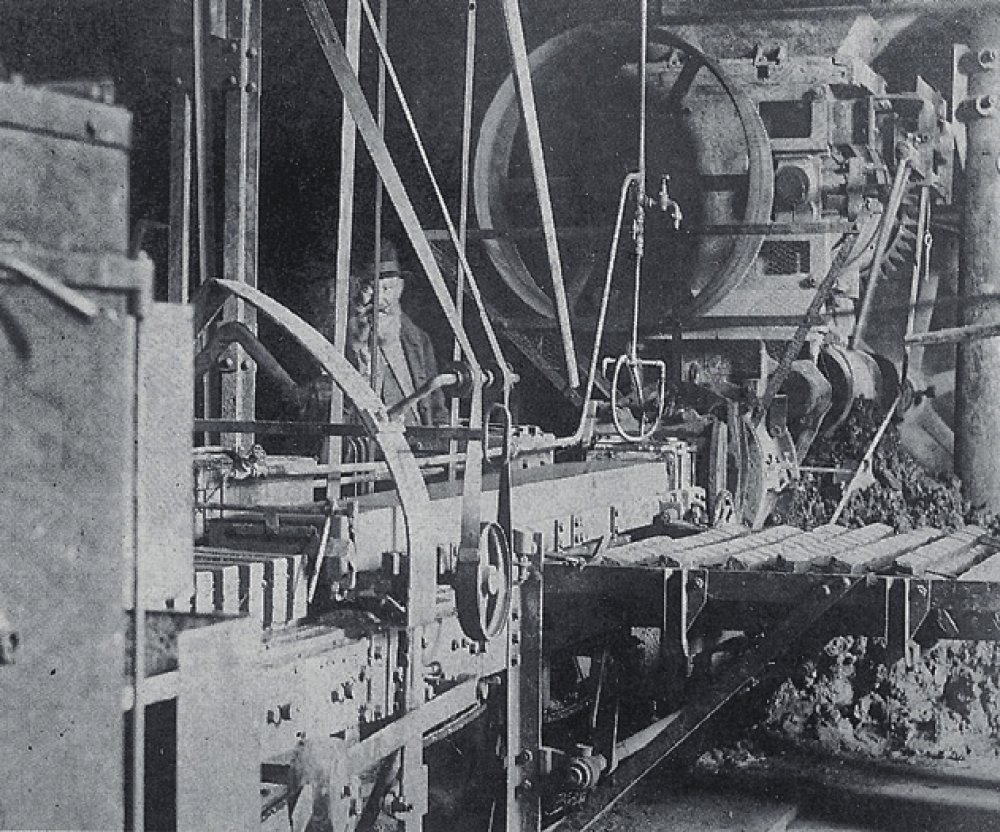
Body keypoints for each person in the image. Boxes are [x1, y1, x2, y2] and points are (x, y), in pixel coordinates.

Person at [345, 239, 448, 426]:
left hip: (415, 437)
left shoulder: (418, 339)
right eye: (369, 289)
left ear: (399, 289)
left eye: (387, 288)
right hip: (366, 439)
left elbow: (437, 405)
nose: (379, 300)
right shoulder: (343, 339)